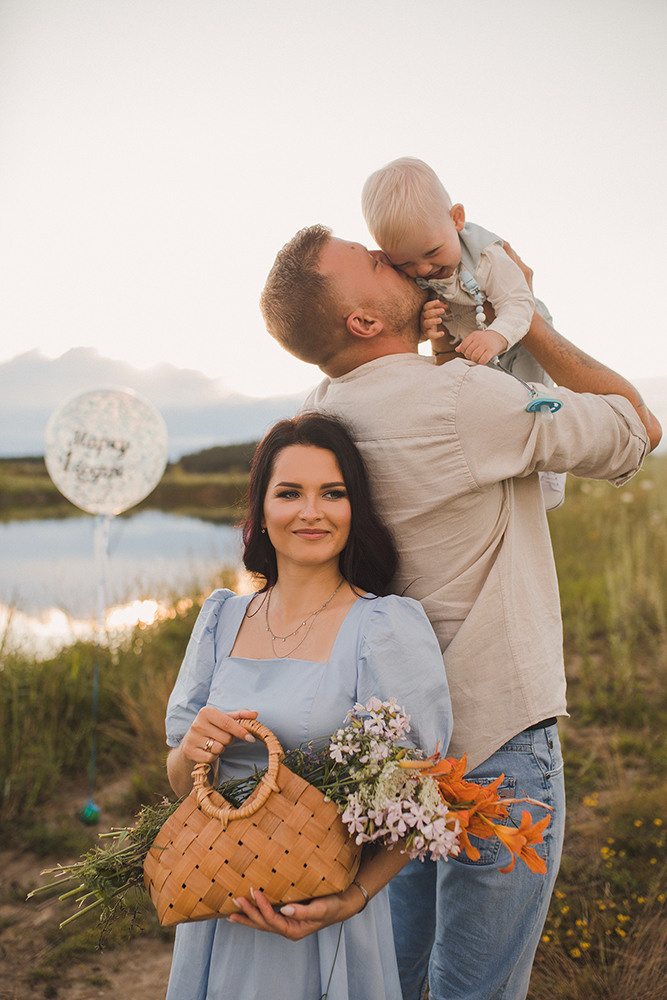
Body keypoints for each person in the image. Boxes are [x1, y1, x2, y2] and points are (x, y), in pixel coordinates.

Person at [259, 225, 662, 1000]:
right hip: (494, 743)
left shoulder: (320, 414)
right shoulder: (460, 399)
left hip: (390, 758)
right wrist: (525, 311)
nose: (396, 258)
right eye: (375, 262)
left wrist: (467, 347)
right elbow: (633, 429)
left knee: (394, 979)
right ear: (363, 322)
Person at [163, 412, 454, 1000]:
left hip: (325, 919)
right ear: (262, 510)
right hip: (223, 902)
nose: (310, 511)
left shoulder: (384, 626)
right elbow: (179, 782)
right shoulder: (220, 618)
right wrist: (193, 751)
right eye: (289, 493)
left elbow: (427, 790)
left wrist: (353, 897)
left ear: (356, 510)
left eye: (333, 493)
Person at [362, 156, 566, 511]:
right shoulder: (424, 268)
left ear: (457, 219)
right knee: (495, 409)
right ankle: (510, 471)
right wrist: (426, 327)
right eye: (406, 264)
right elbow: (422, 330)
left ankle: (552, 467)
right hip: (472, 345)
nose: (423, 269)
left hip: (518, 341)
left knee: (532, 398)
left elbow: (520, 304)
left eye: (431, 253)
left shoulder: (488, 257)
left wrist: (496, 337)